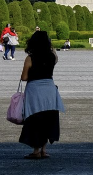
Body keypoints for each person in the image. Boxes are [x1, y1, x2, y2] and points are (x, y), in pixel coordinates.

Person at [19, 30, 65, 159]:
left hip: (35, 91)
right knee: (48, 118)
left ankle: (36, 151)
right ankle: (44, 150)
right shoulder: (52, 57)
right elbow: (54, 55)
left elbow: (24, 77)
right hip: (50, 90)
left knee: (35, 119)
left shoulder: (30, 58)